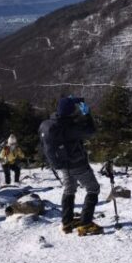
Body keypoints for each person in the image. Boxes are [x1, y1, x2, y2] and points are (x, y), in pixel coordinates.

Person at [39, 96, 101, 235]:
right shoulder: (69, 127)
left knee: (69, 189)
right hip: (77, 163)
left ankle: (67, 223)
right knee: (93, 189)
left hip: (63, 164)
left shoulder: (52, 124)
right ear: (70, 111)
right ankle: (85, 224)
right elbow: (90, 130)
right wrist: (86, 113)